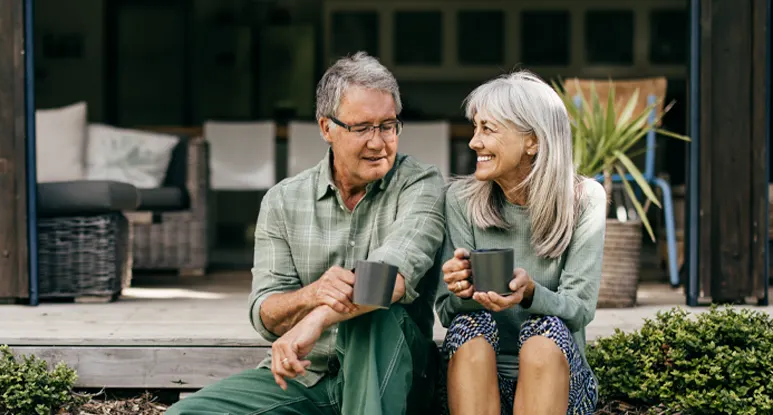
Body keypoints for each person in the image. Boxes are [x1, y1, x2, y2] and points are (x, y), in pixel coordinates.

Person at [167, 51, 446, 415]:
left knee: (373, 311)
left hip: (396, 378)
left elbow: (390, 277)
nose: (378, 142)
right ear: (326, 128)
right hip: (307, 377)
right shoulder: (282, 200)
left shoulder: (421, 184)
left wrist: (318, 317)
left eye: (388, 125)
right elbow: (266, 314)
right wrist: (311, 295)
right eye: (362, 128)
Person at [436, 71, 606, 415]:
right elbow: (446, 312)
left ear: (533, 142)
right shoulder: (459, 200)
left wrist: (530, 294)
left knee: (545, 331)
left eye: (488, 129)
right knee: (468, 328)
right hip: (480, 384)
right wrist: (461, 290)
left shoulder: (585, 199)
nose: (474, 142)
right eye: (475, 127)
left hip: (559, 382)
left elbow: (579, 310)